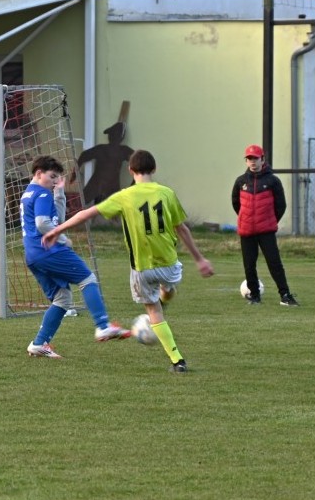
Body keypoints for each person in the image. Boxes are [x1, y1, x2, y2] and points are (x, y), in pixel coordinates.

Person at [42, 149, 214, 373]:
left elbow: (86, 214)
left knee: (154, 312)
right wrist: (200, 259)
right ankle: (167, 292)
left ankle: (178, 361)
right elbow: (181, 228)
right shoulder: (166, 193)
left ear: (130, 170)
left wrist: (57, 230)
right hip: (169, 263)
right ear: (154, 169)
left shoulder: (125, 196)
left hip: (142, 268)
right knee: (168, 287)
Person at [20, 155, 129, 359]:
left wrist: (59, 193)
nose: (54, 181)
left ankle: (39, 343)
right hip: (48, 250)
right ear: (38, 173)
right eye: (52, 177)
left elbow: (57, 220)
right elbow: (44, 224)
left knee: (62, 298)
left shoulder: (30, 194)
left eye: (57, 178)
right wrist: (60, 238)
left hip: (33, 255)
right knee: (87, 278)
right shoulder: (42, 194)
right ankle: (103, 325)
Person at [231, 144, 298, 306]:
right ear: (246, 161)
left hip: (266, 230)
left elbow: (280, 206)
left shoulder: (273, 181)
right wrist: (246, 219)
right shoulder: (240, 181)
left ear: (263, 159)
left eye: (255, 158)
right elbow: (236, 204)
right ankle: (254, 296)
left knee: (274, 263)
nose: (252, 162)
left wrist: (269, 220)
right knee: (249, 265)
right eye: (249, 159)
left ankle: (285, 295)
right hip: (247, 230)